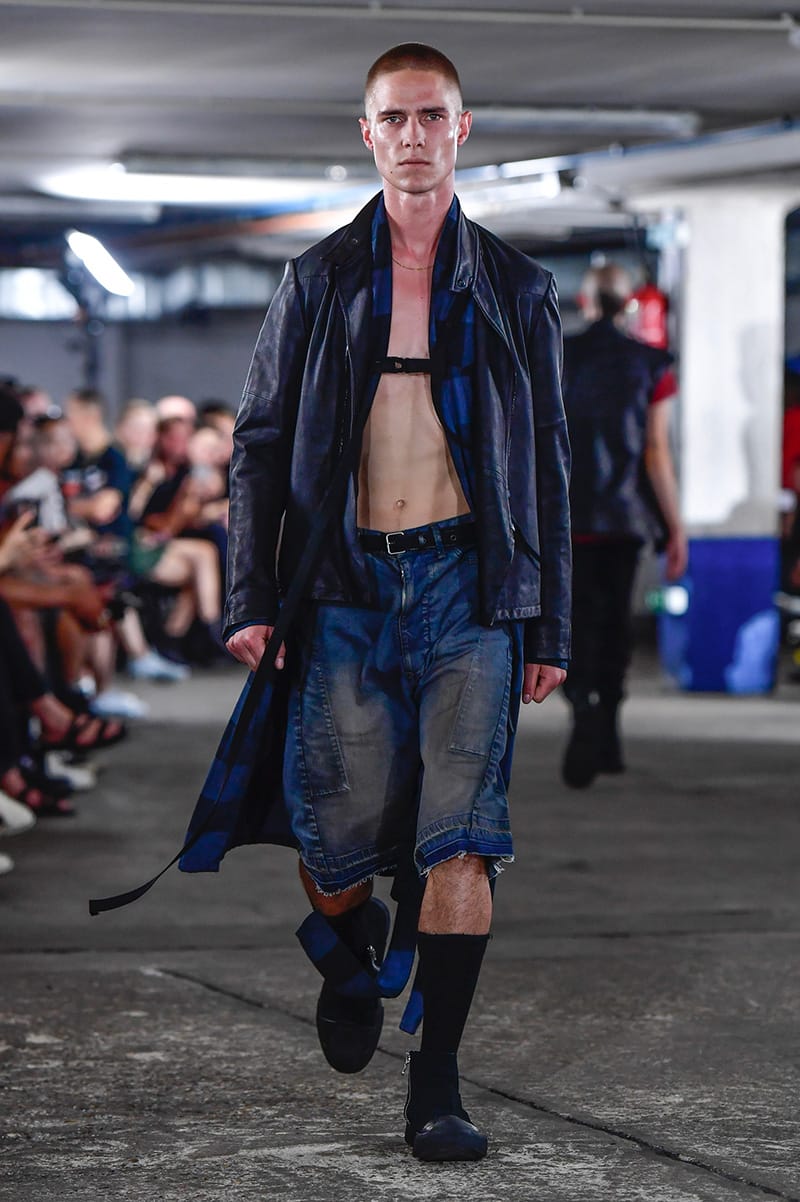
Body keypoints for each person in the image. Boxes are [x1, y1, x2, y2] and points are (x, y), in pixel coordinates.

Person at [185, 43, 570, 1162]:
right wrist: (252, 591)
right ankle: (349, 950)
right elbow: (259, 444)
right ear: (366, 134)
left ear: (462, 129)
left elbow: (546, 465)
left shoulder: (516, 289)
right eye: (393, 118)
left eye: (431, 116)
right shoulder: (316, 281)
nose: (412, 135)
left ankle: (436, 1086)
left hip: (469, 589)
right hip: (345, 586)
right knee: (337, 845)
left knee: (463, 838)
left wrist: (547, 620)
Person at [561, 263, 687, 788]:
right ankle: (608, 726)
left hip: (566, 520)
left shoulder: (557, 356)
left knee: (571, 624)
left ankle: (583, 710)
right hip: (625, 520)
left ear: (585, 302)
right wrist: (675, 527)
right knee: (615, 624)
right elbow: (655, 452)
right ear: (629, 304)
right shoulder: (653, 364)